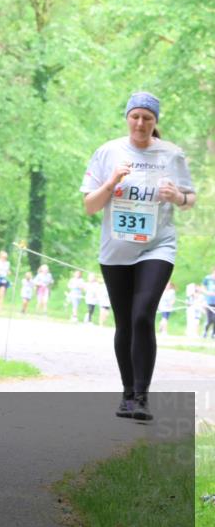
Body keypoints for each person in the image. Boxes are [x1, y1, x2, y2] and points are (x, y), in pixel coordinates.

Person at [81, 91, 196, 421]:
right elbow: (90, 206)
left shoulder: (171, 155)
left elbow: (190, 198)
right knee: (125, 324)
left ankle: (142, 398)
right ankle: (128, 395)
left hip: (157, 245)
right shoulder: (107, 152)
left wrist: (178, 196)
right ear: (127, 118)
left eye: (148, 117)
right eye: (136, 116)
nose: (141, 123)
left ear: (155, 121)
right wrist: (113, 181)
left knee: (143, 314)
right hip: (116, 249)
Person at [203, 268, 215, 339]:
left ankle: (213, 334)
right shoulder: (207, 278)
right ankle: (205, 331)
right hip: (209, 302)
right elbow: (203, 288)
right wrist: (208, 293)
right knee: (209, 320)